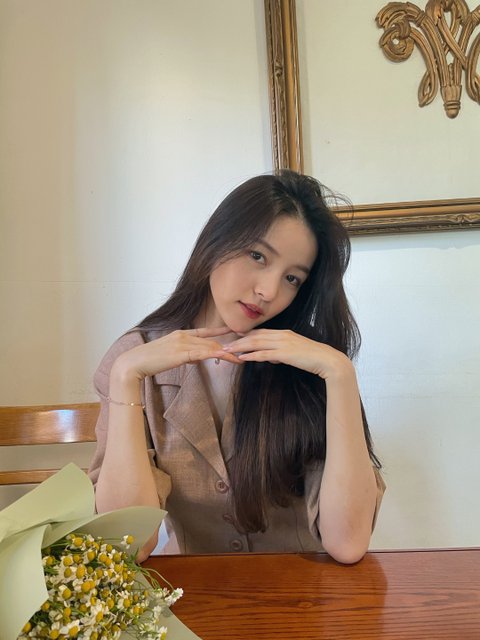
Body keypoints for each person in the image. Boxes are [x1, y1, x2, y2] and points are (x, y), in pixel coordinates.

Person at [88, 170, 385, 563]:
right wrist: (126, 377)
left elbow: (347, 544)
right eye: (258, 256)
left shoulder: (312, 362)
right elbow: (128, 543)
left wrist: (341, 374)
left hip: (303, 589)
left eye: (292, 278)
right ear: (217, 240)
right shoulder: (135, 357)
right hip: (196, 591)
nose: (268, 291)